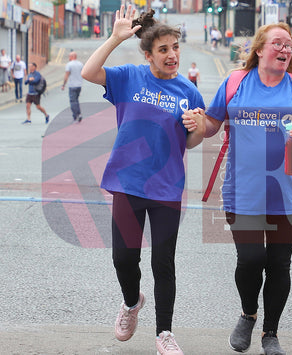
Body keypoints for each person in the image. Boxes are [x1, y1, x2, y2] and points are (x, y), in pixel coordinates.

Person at [80, 6, 205, 354]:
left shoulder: (189, 92)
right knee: (124, 258)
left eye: (175, 47)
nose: (172, 55)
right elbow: (90, 72)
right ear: (148, 54)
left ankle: (164, 333)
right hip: (127, 182)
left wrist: (198, 128)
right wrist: (115, 38)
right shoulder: (129, 77)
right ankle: (132, 303)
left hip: (166, 187)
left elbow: (192, 140)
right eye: (163, 49)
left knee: (162, 261)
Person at [202, 22, 292, 355]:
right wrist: (191, 121)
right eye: (278, 43)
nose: (285, 49)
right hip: (243, 189)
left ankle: (270, 333)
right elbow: (211, 123)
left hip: (287, 189)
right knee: (250, 259)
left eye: (289, 45)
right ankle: (248, 313)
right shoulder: (235, 82)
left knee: (278, 264)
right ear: (259, 49)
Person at [62, 51, 84, 122]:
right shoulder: (80, 64)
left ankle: (76, 115)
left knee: (72, 101)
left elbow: (66, 75)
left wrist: (63, 85)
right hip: (79, 85)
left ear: (72, 57)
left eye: (69, 56)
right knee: (76, 100)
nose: (69, 58)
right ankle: (79, 114)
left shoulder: (69, 64)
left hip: (72, 85)